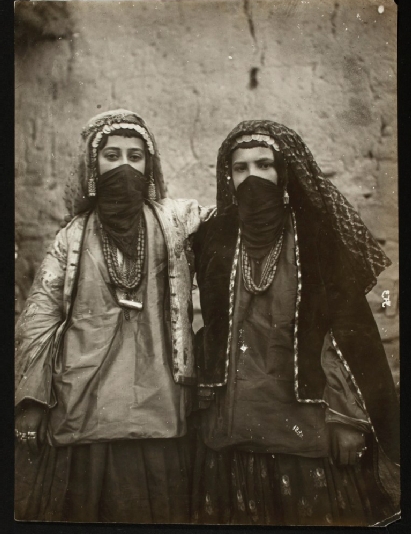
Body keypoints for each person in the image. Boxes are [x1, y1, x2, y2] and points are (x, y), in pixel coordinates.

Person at [192, 120, 400, 526]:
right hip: (233, 431)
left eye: (264, 165)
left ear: (284, 172)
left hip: (307, 430)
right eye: (240, 168)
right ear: (228, 177)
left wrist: (348, 420)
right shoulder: (213, 238)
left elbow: (348, 334)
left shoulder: (316, 236)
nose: (252, 177)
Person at [14, 109, 212, 523]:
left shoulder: (177, 222)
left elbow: (235, 227)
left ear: (149, 165)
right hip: (84, 396)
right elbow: (40, 319)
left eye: (135, 156)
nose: (124, 165)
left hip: (158, 396)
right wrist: (32, 398)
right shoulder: (72, 235)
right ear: (92, 165)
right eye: (112, 155)